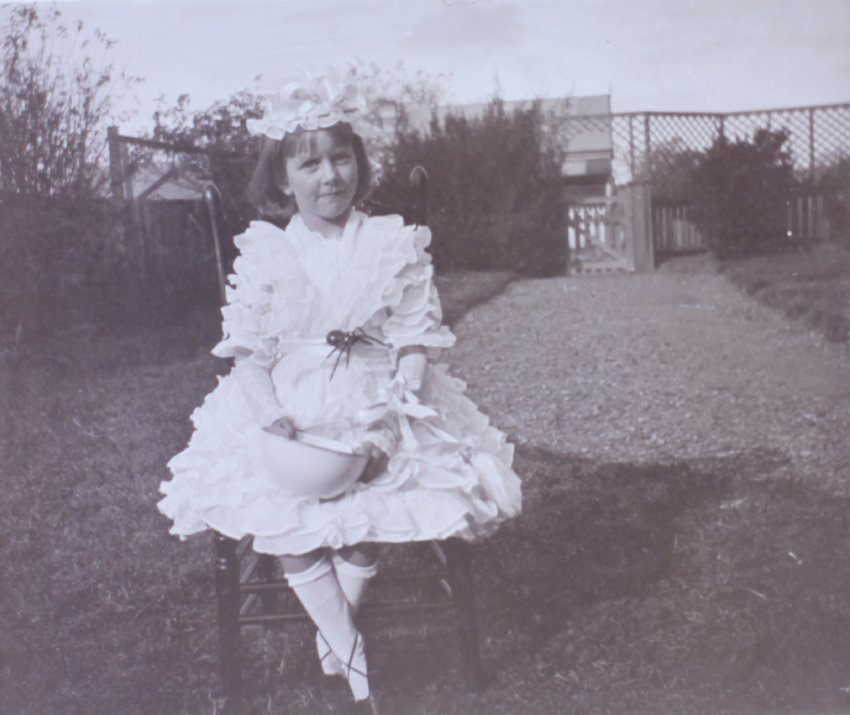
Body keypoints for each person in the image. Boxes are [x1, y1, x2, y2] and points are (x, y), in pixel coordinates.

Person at [157, 70, 521, 713]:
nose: (330, 177)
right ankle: (350, 654)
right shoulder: (269, 252)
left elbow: (413, 338)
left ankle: (336, 641)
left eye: (341, 158)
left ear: (359, 164)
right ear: (282, 180)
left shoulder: (390, 242)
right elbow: (247, 352)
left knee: (379, 495)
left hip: (377, 396)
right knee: (283, 509)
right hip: (287, 404)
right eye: (311, 164)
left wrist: (396, 409)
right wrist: (270, 417)